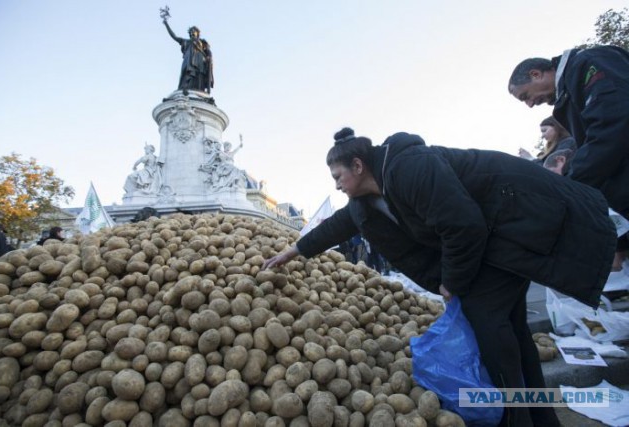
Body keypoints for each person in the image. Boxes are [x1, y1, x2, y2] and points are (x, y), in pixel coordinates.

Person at [263, 127, 616, 427]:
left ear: (358, 165)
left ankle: (517, 418)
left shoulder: (409, 167)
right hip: (493, 248)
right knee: (512, 331)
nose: (337, 185)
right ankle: (540, 418)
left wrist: (452, 282)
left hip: (515, 229)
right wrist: (293, 251)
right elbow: (338, 225)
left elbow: (463, 225)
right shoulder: (366, 200)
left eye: (338, 176)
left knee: (492, 331)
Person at [509, 45, 629, 297]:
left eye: (525, 96)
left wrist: (572, 178)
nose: (530, 104)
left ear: (535, 74)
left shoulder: (589, 64)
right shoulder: (569, 96)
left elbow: (612, 125)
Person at [163, 19, 214, 93]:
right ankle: (185, 88)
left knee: (199, 76)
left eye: (194, 31)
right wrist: (166, 24)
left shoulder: (202, 42)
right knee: (187, 74)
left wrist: (209, 57)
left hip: (200, 61)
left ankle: (199, 91)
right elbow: (174, 36)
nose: (192, 32)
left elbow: (208, 51)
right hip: (188, 60)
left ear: (197, 33)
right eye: (190, 32)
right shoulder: (185, 41)